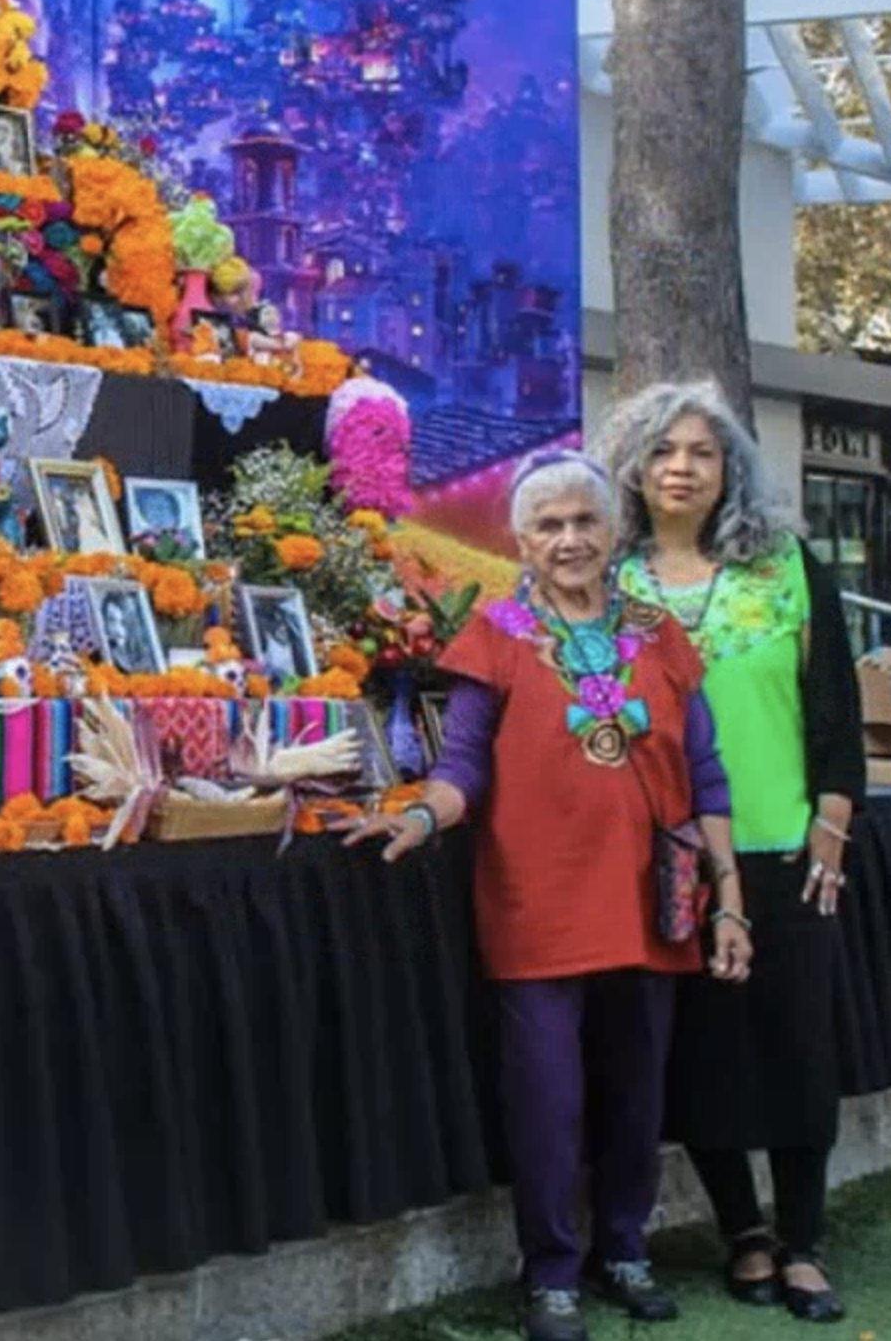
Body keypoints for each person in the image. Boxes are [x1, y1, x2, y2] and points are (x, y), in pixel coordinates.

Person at [352, 451, 749, 1341]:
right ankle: (553, 1273)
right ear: (522, 542)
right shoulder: (494, 634)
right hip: (536, 904)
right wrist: (420, 818)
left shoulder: (660, 633)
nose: (570, 540)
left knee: (638, 1096)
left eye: (585, 522)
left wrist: (729, 898)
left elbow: (707, 774)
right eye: (549, 526)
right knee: (548, 1101)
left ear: (613, 533)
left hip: (654, 903)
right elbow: (461, 767)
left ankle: (626, 1250)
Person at [598, 383, 865, 1325]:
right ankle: (742, 1234)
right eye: (664, 450)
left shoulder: (786, 565)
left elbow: (836, 708)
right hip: (656, 856)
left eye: (702, 452)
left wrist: (830, 826)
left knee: (796, 1044)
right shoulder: (606, 580)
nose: (681, 466)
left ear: (730, 468)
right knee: (702, 1057)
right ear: (631, 466)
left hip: (782, 850)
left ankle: (804, 1243)